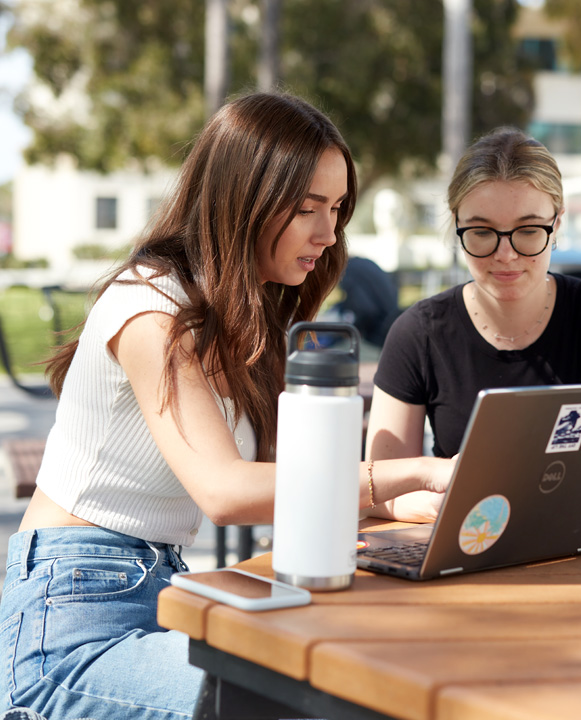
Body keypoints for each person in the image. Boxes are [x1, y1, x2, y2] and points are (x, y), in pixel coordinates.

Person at [0, 91, 454, 720]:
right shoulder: (150, 306)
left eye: (338, 209)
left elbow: (286, 477)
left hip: (168, 588)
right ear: (246, 203)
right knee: (308, 701)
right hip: (71, 626)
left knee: (375, 665)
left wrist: (405, 504)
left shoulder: (248, 315)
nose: (328, 233)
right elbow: (226, 490)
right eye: (307, 208)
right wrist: (414, 470)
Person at [365, 126, 581, 521]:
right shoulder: (418, 333)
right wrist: (437, 505)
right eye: (481, 233)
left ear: (558, 223)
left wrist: (495, 497)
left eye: (529, 231)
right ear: (456, 224)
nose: (506, 254)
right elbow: (379, 491)